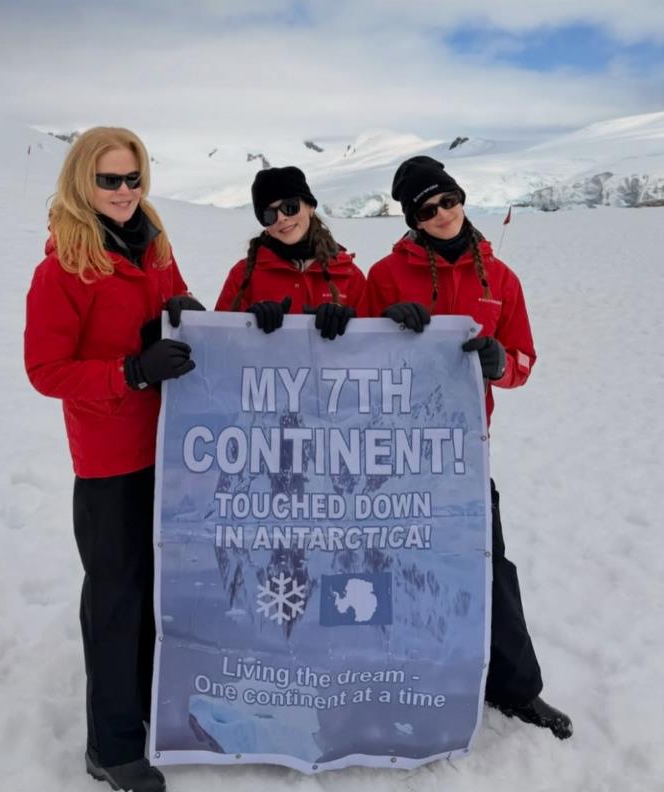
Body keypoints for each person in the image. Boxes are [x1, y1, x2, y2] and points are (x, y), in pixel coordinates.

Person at [364, 156, 573, 740]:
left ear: (461, 197)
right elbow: (349, 357)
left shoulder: (499, 277)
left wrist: (500, 362)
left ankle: (515, 688)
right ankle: (384, 675)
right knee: (395, 566)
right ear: (412, 217)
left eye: (449, 200)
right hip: (393, 454)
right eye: (427, 209)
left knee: (488, 565)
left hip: (463, 452)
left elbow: (524, 360)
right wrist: (383, 323)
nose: (443, 214)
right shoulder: (383, 274)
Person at [24, 127, 203, 791]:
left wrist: (181, 314)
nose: (124, 192)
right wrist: (129, 370)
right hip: (108, 459)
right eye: (110, 181)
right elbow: (46, 369)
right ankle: (113, 746)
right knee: (116, 596)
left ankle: (150, 708)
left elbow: (173, 298)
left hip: (170, 444)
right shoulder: (62, 269)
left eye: (133, 179)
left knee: (158, 588)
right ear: (81, 182)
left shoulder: (152, 243)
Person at [215, 166, 366, 336]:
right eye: (269, 215)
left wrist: (350, 324)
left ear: (310, 207)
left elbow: (373, 346)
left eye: (290, 206)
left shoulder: (348, 274)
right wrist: (249, 323)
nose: (281, 218)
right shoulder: (243, 275)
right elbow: (219, 341)